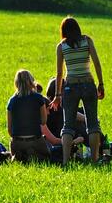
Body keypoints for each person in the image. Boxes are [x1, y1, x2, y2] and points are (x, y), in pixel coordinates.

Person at [52, 17, 104, 165]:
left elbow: (59, 73)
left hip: (70, 86)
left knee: (67, 125)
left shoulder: (61, 46)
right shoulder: (87, 41)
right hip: (88, 84)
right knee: (93, 124)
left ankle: (65, 161)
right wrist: (101, 84)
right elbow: (97, 64)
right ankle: (95, 159)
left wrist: (57, 95)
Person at [6, 70, 50, 162]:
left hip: (17, 142)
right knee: (47, 156)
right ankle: (32, 154)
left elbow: (10, 130)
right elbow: (43, 121)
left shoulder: (12, 101)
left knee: (18, 152)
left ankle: (20, 155)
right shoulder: (38, 98)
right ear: (31, 81)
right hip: (35, 140)